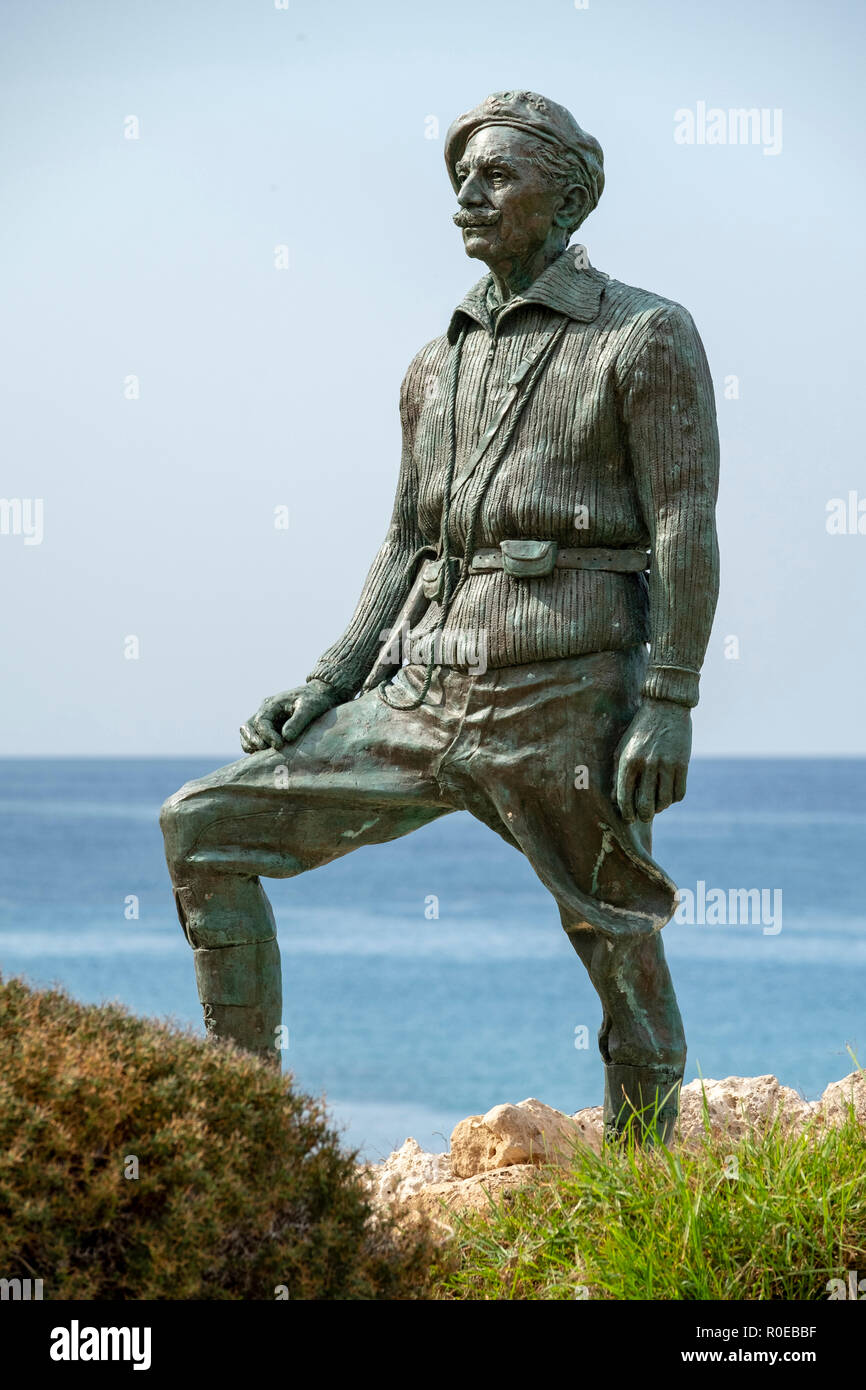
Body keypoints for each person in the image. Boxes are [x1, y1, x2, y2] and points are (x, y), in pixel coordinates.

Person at [160, 90, 720, 1142]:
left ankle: (643, 1184)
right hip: (419, 692)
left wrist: (670, 698)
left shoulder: (642, 336)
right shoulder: (435, 362)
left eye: (497, 174)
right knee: (202, 827)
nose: (468, 195)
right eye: (459, 177)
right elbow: (406, 541)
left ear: (569, 196)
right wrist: (327, 682)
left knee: (617, 941)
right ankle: (246, 1130)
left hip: (568, 691)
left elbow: (684, 518)